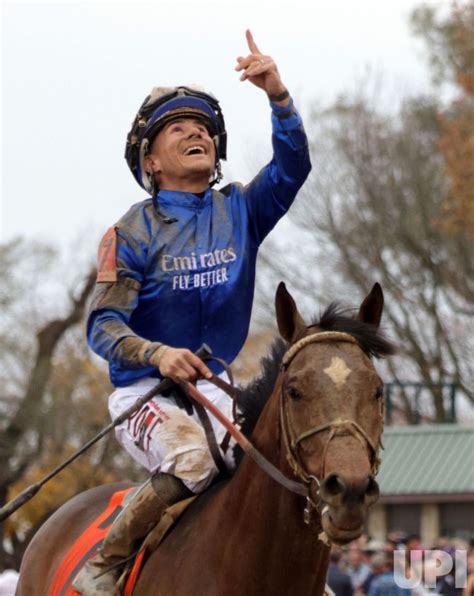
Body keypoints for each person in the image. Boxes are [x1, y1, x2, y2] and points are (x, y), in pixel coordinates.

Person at [73, 30, 311, 595]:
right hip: (144, 393)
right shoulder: (129, 233)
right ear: (150, 161)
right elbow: (102, 326)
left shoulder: (242, 210)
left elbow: (293, 167)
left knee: (278, 469)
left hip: (218, 385)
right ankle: (104, 563)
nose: (196, 131)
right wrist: (157, 354)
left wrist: (278, 96)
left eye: (202, 126)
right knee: (192, 458)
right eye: (176, 128)